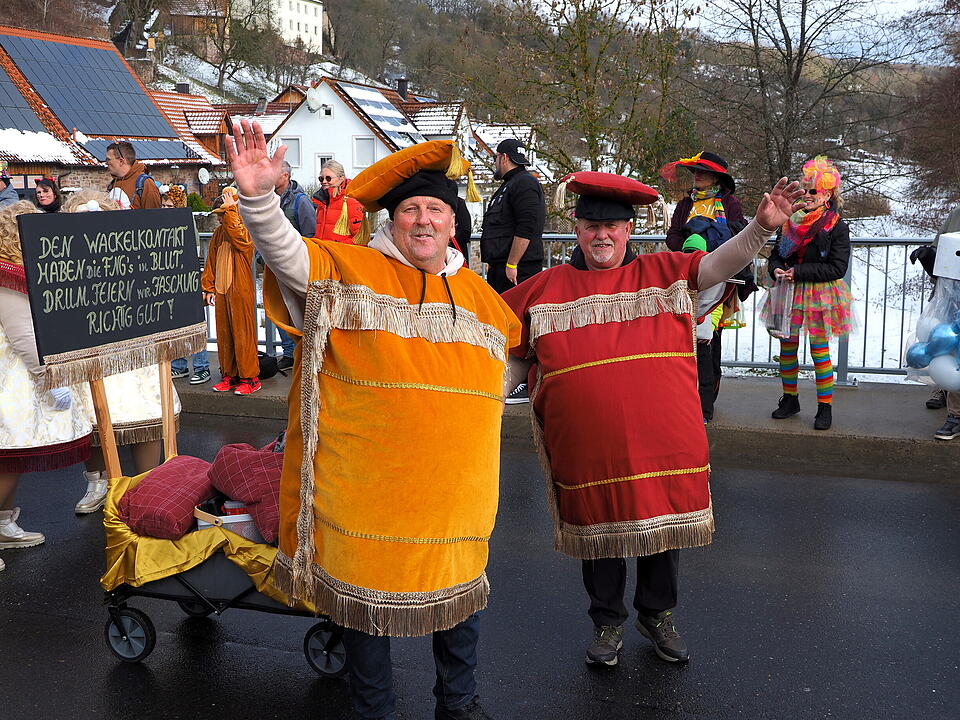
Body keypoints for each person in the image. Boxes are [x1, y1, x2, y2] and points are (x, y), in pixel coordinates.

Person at [228, 120, 519, 720]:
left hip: (455, 497)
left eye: (435, 209)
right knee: (367, 607)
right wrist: (259, 200)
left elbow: (509, 371)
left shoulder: (483, 299)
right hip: (369, 493)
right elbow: (289, 257)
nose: (423, 221)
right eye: (409, 209)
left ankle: (458, 705)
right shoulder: (349, 271)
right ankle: (374, 710)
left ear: (453, 221)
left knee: (459, 599)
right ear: (391, 221)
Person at [501, 170, 802, 668]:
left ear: (628, 230)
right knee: (600, 533)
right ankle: (607, 622)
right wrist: (480, 403)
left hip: (663, 442)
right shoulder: (545, 288)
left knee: (661, 530)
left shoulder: (663, 272)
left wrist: (762, 230)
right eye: (591, 227)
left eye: (613, 227)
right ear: (576, 230)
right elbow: (509, 357)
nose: (602, 236)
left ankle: (656, 615)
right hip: (587, 448)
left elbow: (719, 264)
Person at [63, 191, 181, 513]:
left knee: (146, 413)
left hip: (134, 354)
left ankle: (147, 485)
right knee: (93, 420)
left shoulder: (132, 254)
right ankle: (98, 482)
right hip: (91, 355)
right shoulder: (67, 264)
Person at [0, 201, 93, 569]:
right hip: (12, 378)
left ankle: (4, 525)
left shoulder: (19, 271)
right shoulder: (10, 276)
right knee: (7, 456)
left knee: (12, 455)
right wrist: (50, 378)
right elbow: (24, 337)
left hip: (17, 375)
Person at [762, 156, 853, 431]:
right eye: (806, 189)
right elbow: (776, 256)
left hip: (819, 296)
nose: (808, 195)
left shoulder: (836, 225)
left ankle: (825, 407)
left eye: (813, 191)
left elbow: (837, 267)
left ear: (827, 194)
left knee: (819, 351)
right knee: (786, 349)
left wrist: (799, 272)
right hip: (788, 293)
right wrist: (776, 270)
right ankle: (790, 400)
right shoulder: (790, 221)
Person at [661, 151, 749, 422]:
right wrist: (688, 249)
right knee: (683, 341)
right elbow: (673, 236)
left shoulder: (730, 204)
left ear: (717, 178)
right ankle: (684, 399)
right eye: (695, 172)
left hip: (719, 281)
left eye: (704, 172)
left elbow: (738, 236)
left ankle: (706, 404)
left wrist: (709, 243)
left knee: (710, 341)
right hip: (686, 279)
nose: (697, 176)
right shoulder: (685, 203)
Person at [480, 139, 545, 405]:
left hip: (518, 269)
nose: (495, 163)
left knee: (520, 325)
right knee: (507, 324)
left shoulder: (525, 184)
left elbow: (527, 226)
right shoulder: (508, 186)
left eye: (496, 158)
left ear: (503, 158)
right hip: (503, 267)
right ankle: (511, 376)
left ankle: (525, 381)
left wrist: (512, 263)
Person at [202, 187, 260, 395]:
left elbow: (241, 241)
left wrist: (232, 211)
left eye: (223, 214)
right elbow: (210, 262)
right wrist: (208, 287)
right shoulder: (219, 233)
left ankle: (250, 378)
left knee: (243, 333)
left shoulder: (245, 229)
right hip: (222, 290)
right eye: (219, 215)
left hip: (240, 290)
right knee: (225, 335)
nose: (220, 219)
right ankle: (230, 375)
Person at [909, 206, 960, 439]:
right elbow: (943, 259)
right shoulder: (957, 215)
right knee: (953, 356)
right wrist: (928, 257)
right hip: (954, 300)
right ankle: (955, 416)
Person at [165, 184, 211, 384]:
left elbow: (190, 252)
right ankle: (179, 365)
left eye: (169, 206)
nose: (165, 209)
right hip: (171, 281)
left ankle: (202, 367)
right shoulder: (164, 225)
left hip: (188, 280)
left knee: (194, 323)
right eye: (164, 205)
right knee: (174, 324)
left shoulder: (185, 223)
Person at [273, 159, 315, 369]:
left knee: (299, 309)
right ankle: (289, 353)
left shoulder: (300, 201)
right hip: (274, 267)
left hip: (296, 266)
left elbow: (309, 234)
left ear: (285, 176)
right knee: (278, 309)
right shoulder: (270, 199)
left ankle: (302, 352)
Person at [312, 160, 364, 243]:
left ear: (341, 178)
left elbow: (361, 238)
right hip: (322, 252)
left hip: (340, 253)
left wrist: (337, 248)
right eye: (321, 178)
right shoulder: (321, 201)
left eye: (328, 178)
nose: (324, 182)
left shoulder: (351, 201)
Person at [105, 141, 162, 210]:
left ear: (121, 161)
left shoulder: (146, 184)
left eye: (108, 159)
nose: (106, 163)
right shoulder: (113, 184)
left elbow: (155, 218)